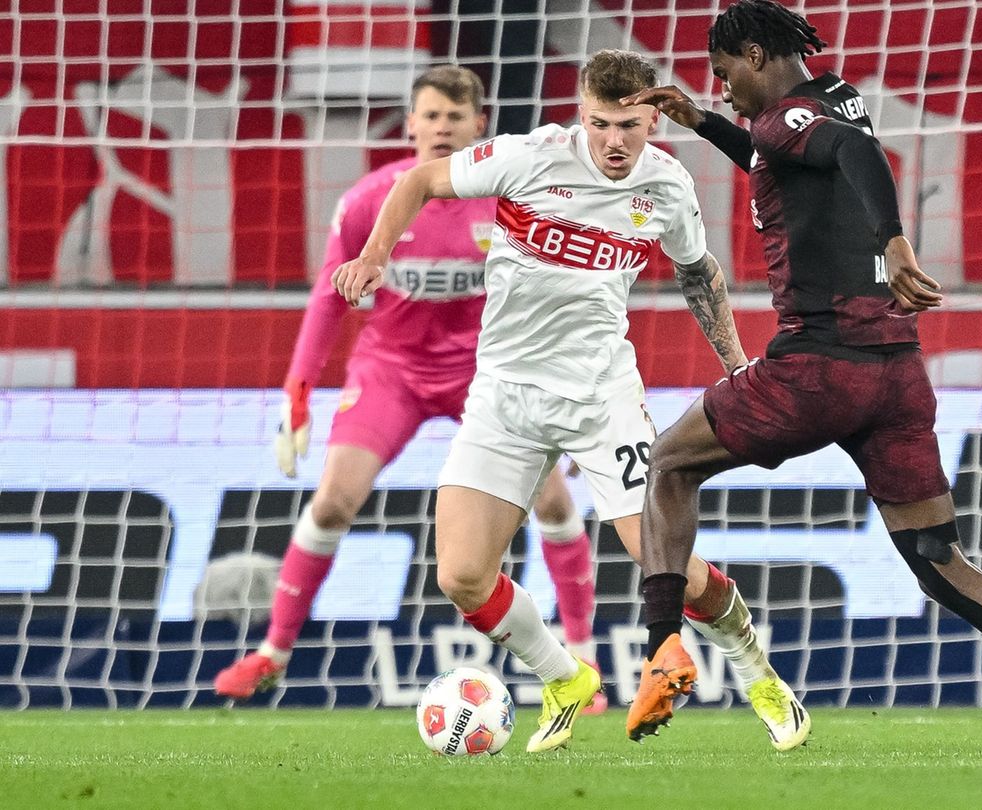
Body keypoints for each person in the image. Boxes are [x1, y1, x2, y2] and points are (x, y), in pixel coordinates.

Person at [621, 0, 982, 755]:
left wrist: (896, 243)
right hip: (897, 375)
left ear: (755, 54)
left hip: (815, 368)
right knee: (941, 565)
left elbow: (849, 157)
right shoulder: (834, 95)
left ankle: (663, 647)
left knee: (670, 464)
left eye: (724, 74)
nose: (725, 87)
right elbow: (795, 156)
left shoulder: (797, 125)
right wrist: (703, 121)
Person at [330, 49, 809, 753]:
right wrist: (375, 256)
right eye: (600, 124)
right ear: (580, 114)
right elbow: (423, 180)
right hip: (503, 395)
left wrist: (738, 366)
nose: (614, 141)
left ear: (654, 117)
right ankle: (565, 676)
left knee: (665, 564)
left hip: (600, 396)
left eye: (629, 126)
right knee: (462, 575)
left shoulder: (668, 187)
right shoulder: (529, 157)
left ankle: (757, 672)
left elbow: (699, 273)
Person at [212, 66, 608, 712]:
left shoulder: (511, 201)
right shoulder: (374, 198)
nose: (442, 127)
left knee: (556, 503)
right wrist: (299, 387)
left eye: (455, 117)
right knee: (336, 499)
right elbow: (328, 296)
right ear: (413, 124)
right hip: (391, 369)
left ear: (481, 125)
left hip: (488, 372)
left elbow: (553, 298)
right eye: (430, 116)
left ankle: (582, 656)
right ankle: (272, 655)